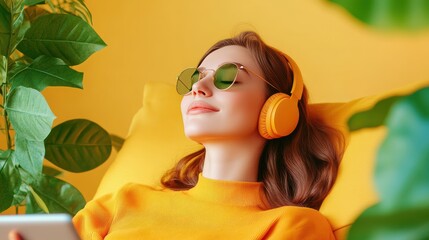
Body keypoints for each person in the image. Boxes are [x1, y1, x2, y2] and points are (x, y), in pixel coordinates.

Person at [10, 31, 344, 239]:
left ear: (278, 110)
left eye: (228, 78)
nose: (199, 87)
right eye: (194, 77)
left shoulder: (293, 227)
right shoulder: (124, 202)